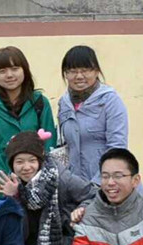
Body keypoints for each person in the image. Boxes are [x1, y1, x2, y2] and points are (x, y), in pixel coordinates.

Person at [0, 46, 57, 174]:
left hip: (36, 174)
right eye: (2, 71)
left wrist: (40, 174)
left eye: (15, 69)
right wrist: (3, 176)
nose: (9, 75)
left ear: (24, 70)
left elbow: (49, 142)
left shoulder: (40, 102)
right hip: (3, 178)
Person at [58, 45, 128, 186]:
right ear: (65, 74)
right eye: (72, 71)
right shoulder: (64, 103)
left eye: (85, 70)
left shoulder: (110, 100)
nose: (79, 76)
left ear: (96, 71)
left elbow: (117, 147)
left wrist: (98, 183)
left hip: (109, 185)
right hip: (75, 185)